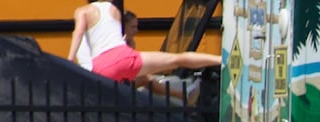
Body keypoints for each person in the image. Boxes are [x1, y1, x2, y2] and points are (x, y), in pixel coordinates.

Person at [68, 1, 218, 85]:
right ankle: (220, 60)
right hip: (123, 58)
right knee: (177, 60)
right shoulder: (114, 9)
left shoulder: (82, 11)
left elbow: (79, 32)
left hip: (100, 68)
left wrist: (69, 60)